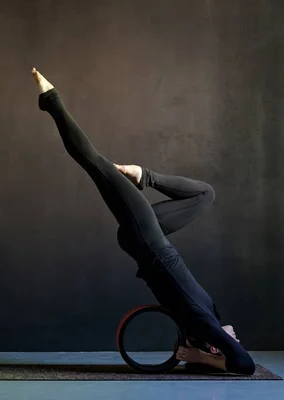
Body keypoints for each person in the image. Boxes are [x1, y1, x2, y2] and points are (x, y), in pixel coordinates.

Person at [32, 68, 255, 375]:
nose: (238, 338)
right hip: (150, 241)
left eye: (226, 344)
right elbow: (234, 352)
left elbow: (244, 364)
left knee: (96, 163)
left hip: (148, 243)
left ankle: (51, 101)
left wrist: (199, 357)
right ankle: (145, 176)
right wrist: (208, 349)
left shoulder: (202, 323)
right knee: (205, 194)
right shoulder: (207, 319)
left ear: (212, 347)